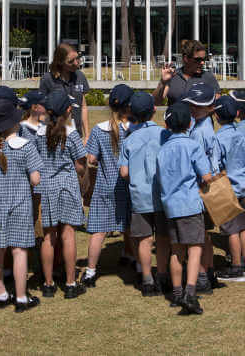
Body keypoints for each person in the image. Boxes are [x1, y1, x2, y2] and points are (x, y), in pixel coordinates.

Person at [0, 99, 44, 312]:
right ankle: (21, 297)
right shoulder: (27, 147)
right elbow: (35, 179)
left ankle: (0, 294)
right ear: (15, 123)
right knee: (19, 252)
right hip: (21, 204)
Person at [158, 102, 217, 315]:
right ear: (190, 122)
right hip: (190, 204)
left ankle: (176, 292)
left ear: (167, 125)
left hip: (170, 206)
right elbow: (206, 175)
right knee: (195, 248)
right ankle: (190, 293)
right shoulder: (193, 146)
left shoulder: (162, 149)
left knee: (176, 250)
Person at [118, 91, 171, 297]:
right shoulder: (164, 134)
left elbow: (124, 172)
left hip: (139, 195)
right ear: (154, 110)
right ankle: (164, 274)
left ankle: (147, 279)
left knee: (144, 239)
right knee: (164, 238)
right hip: (162, 194)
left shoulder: (129, 139)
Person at [37, 90, 88, 298]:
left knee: (49, 236)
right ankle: (69, 283)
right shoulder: (71, 134)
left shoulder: (39, 134)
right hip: (67, 186)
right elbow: (80, 164)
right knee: (68, 235)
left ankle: (48, 284)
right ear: (68, 110)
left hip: (47, 186)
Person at [83, 84, 133, 286]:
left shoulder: (98, 130)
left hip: (105, 186)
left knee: (99, 231)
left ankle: (90, 271)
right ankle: (133, 259)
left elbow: (91, 159)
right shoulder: (133, 130)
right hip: (128, 185)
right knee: (129, 226)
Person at [181, 81, 220, 292]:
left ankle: (203, 275)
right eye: (191, 105)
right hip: (207, 185)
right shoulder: (204, 125)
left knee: (200, 237)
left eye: (198, 106)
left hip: (201, 188)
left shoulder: (199, 132)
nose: (193, 109)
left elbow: (199, 164)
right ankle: (209, 271)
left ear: (210, 107)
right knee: (204, 234)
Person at [210, 96, 245, 282]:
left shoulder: (218, 138)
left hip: (228, 188)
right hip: (244, 186)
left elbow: (215, 164)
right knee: (243, 227)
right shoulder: (244, 135)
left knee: (231, 230)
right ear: (237, 113)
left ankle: (235, 267)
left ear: (216, 116)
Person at [39, 42, 91, 139]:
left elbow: (83, 107)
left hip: (77, 135)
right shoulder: (47, 79)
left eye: (77, 58)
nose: (76, 63)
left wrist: (87, 136)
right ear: (60, 62)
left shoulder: (80, 76)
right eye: (71, 61)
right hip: (54, 135)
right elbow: (42, 110)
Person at [154, 38, 220, 106]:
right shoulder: (173, 76)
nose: (202, 62)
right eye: (198, 59)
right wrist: (162, 82)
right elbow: (157, 102)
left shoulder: (208, 77)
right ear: (186, 58)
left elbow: (217, 103)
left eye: (204, 59)